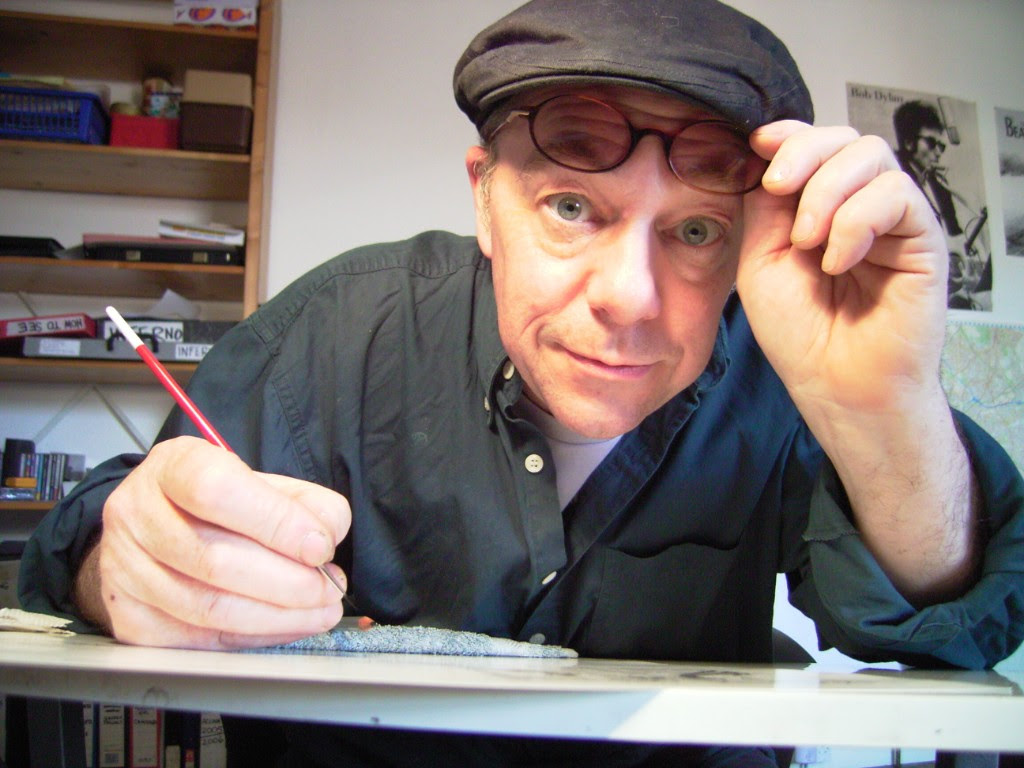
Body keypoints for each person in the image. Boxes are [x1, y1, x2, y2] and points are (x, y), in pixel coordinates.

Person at [20, 0, 1024, 765]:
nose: (629, 298)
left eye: (695, 229)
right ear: (486, 200)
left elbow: (959, 631)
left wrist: (885, 410)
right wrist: (127, 569)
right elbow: (89, 548)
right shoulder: (341, 328)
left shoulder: (789, 362)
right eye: (572, 208)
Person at [892, 100, 992, 308]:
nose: (939, 152)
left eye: (942, 146)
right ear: (909, 142)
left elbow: (954, 233)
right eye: (932, 143)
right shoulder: (892, 178)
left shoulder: (937, 185)